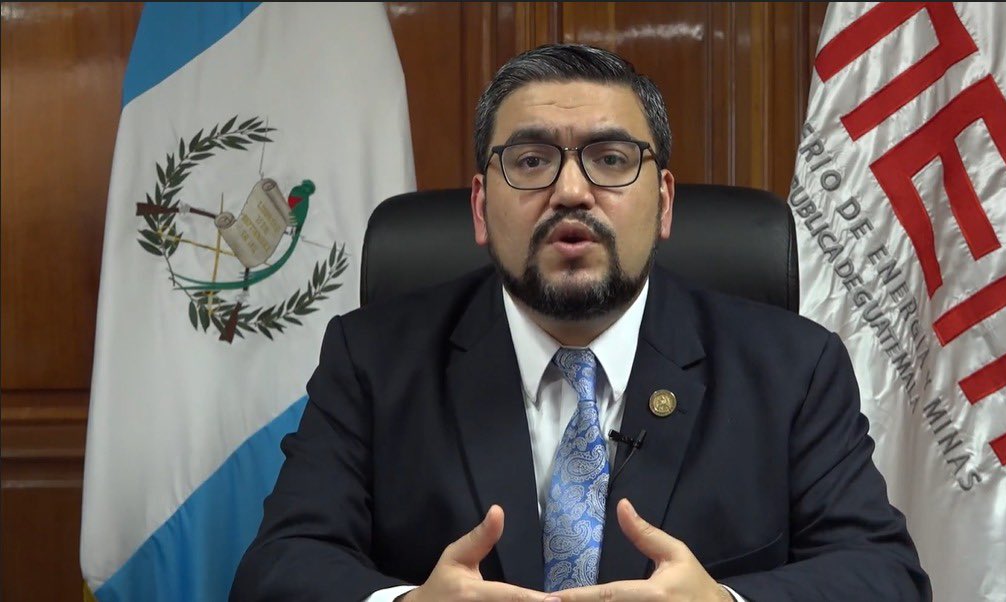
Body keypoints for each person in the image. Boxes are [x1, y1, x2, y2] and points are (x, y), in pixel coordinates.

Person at [231, 44, 931, 602]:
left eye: (610, 160)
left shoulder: (792, 369)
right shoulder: (372, 360)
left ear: (663, 203)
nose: (570, 191)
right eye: (531, 160)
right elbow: (278, 570)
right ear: (480, 207)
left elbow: (885, 577)